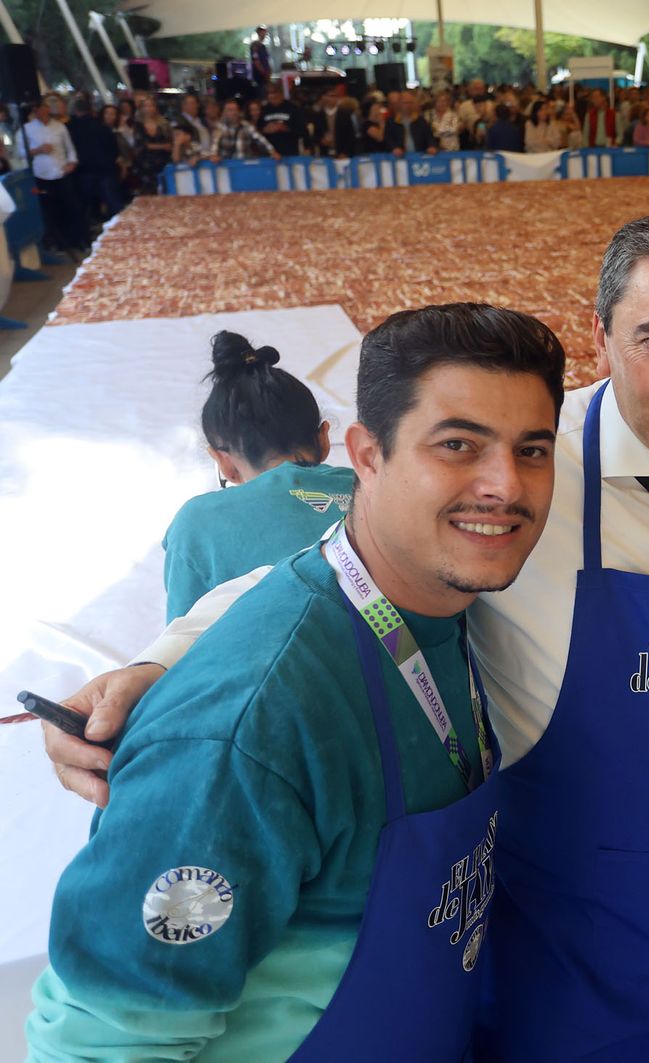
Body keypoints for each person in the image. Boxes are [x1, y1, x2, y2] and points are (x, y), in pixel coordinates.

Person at [44, 212, 649, 1061]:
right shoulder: (526, 467)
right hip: (556, 937)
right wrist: (161, 662)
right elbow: (333, 560)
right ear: (602, 337)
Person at [24, 303, 566, 1062]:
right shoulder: (244, 734)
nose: (505, 485)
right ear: (363, 456)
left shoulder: (443, 600)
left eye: (532, 449)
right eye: (457, 445)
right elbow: (102, 1041)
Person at [163, 331, 353, 620]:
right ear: (324, 438)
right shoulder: (367, 488)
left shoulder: (195, 524)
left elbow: (182, 636)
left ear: (224, 463)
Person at [23, 95, 89, 256]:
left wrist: (72, 162)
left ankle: (80, 240)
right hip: (41, 175)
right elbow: (21, 153)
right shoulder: (26, 129)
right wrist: (38, 150)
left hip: (62, 172)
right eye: (37, 109)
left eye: (43, 107)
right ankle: (59, 243)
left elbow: (70, 148)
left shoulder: (59, 126)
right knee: (50, 210)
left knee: (73, 206)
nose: (41, 111)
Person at [257, 82, 302, 156]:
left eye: (274, 93)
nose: (271, 96)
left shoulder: (293, 108)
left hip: (289, 151)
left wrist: (285, 128)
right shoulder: (263, 110)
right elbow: (257, 130)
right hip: (269, 153)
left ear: (281, 93)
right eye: (269, 93)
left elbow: (302, 130)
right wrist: (265, 130)